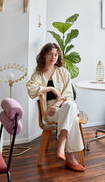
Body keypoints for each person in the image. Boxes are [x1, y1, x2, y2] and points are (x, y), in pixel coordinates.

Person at [26, 43, 85, 172]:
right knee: (73, 116)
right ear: (43, 56)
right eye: (50, 54)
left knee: (70, 105)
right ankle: (70, 158)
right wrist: (51, 88)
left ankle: (62, 146)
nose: (53, 57)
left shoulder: (63, 72)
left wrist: (57, 104)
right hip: (49, 112)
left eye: (56, 54)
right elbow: (31, 89)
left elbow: (69, 95)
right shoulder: (38, 74)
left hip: (63, 106)